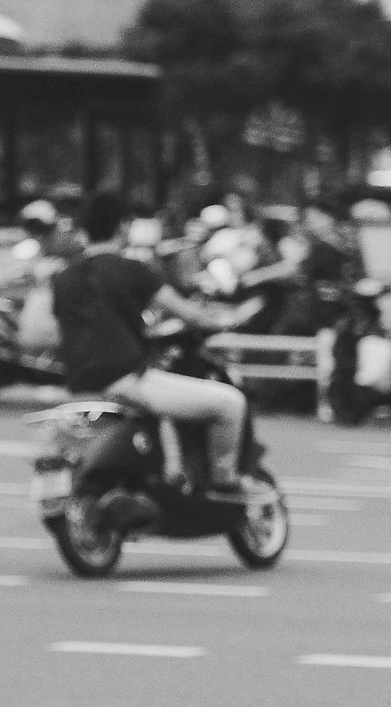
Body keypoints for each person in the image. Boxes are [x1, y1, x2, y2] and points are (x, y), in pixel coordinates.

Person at [51, 191, 267, 502]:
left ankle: (169, 472)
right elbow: (188, 313)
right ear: (124, 226)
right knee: (230, 404)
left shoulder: (63, 278)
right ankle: (226, 482)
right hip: (127, 380)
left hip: (78, 384)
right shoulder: (131, 269)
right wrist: (226, 319)